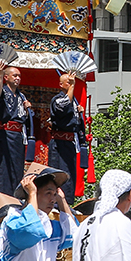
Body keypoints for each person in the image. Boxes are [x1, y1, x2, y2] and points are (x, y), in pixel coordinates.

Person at [47, 69, 91, 202]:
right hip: (59, 144)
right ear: (61, 85)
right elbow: (64, 108)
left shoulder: (74, 102)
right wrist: (72, 86)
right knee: (59, 174)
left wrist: (79, 114)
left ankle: (67, 203)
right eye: (68, 82)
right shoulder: (58, 99)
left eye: (72, 82)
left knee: (70, 175)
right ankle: (56, 203)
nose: (71, 84)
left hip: (70, 143)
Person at [0, 63, 34, 198]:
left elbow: (26, 118)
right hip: (6, 134)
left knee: (17, 168)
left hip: (18, 136)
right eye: (14, 75)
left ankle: (16, 197)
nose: (17, 78)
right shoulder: (3, 91)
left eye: (19, 76)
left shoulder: (21, 96)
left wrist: (27, 108)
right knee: (4, 168)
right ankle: (1, 198)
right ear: (6, 77)